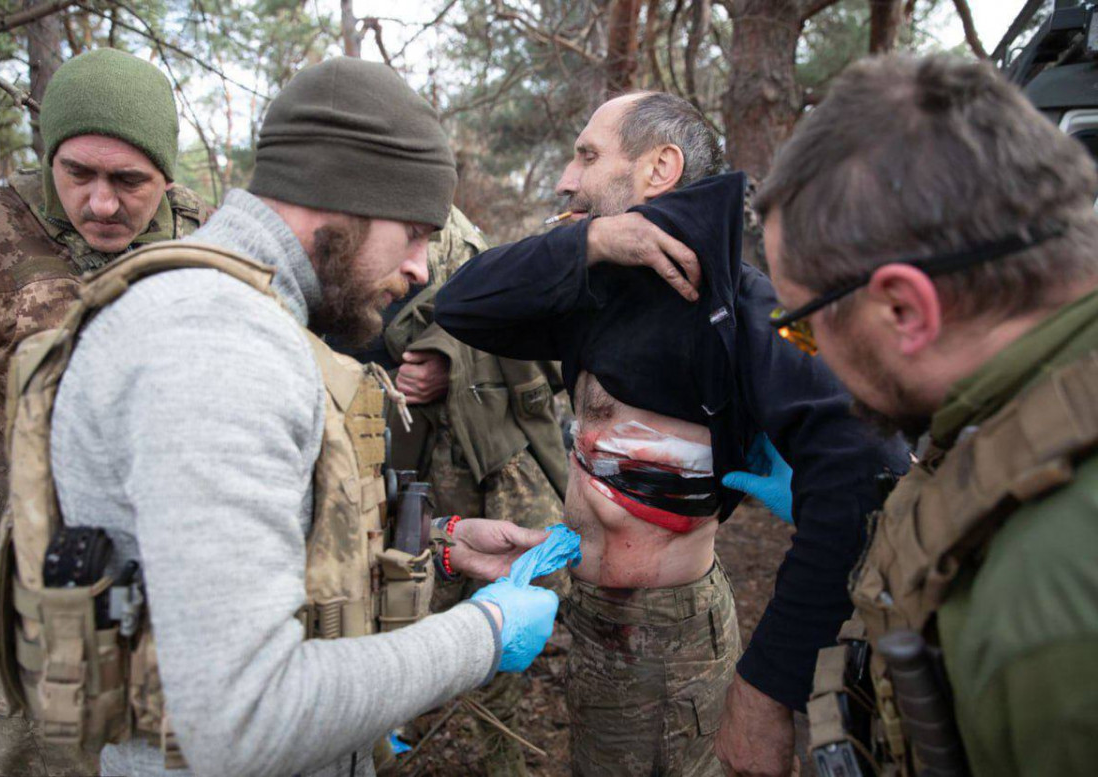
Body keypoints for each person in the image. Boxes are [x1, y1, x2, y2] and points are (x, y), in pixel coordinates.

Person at [3, 57, 561, 777]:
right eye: (415, 232)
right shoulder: (217, 342)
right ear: (344, 201)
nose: (421, 267)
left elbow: (245, 551)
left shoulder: (225, 309)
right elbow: (242, 719)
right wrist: (481, 634)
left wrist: (442, 545)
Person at [435, 91, 908, 776]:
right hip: (595, 622)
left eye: (588, 155)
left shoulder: (748, 310)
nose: (567, 179)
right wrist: (593, 239)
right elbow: (461, 303)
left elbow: (871, 467)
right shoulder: (593, 295)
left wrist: (771, 680)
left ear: (659, 167)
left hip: (672, 634)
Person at [756, 54, 1098, 777]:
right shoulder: (1013, 415)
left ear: (902, 308)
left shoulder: (1046, 604)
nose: (807, 354)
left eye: (803, 328)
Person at [0, 48, 206, 776]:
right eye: (77, 174)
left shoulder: (208, 244)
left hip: (188, 612)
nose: (102, 203)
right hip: (35, 625)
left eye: (128, 180)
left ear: (165, 173)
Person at [331, 206, 568, 777]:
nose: (411, 266)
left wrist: (449, 362)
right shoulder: (330, 241)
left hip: (477, 467)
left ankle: (494, 752)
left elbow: (528, 337)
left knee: (501, 593)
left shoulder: (466, 245)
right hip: (378, 462)